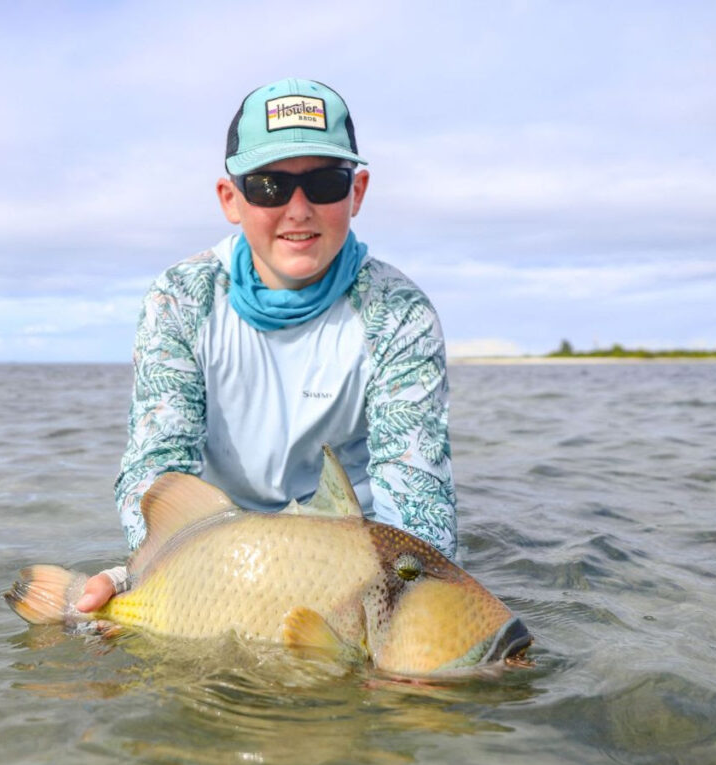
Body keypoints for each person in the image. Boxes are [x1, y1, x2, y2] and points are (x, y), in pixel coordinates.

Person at [76, 77, 456, 612]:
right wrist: (142, 579)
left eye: (325, 182)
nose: (298, 210)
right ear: (230, 199)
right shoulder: (180, 299)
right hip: (213, 556)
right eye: (269, 187)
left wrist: (404, 617)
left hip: (358, 569)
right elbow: (159, 471)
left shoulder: (400, 314)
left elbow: (419, 513)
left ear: (359, 192)